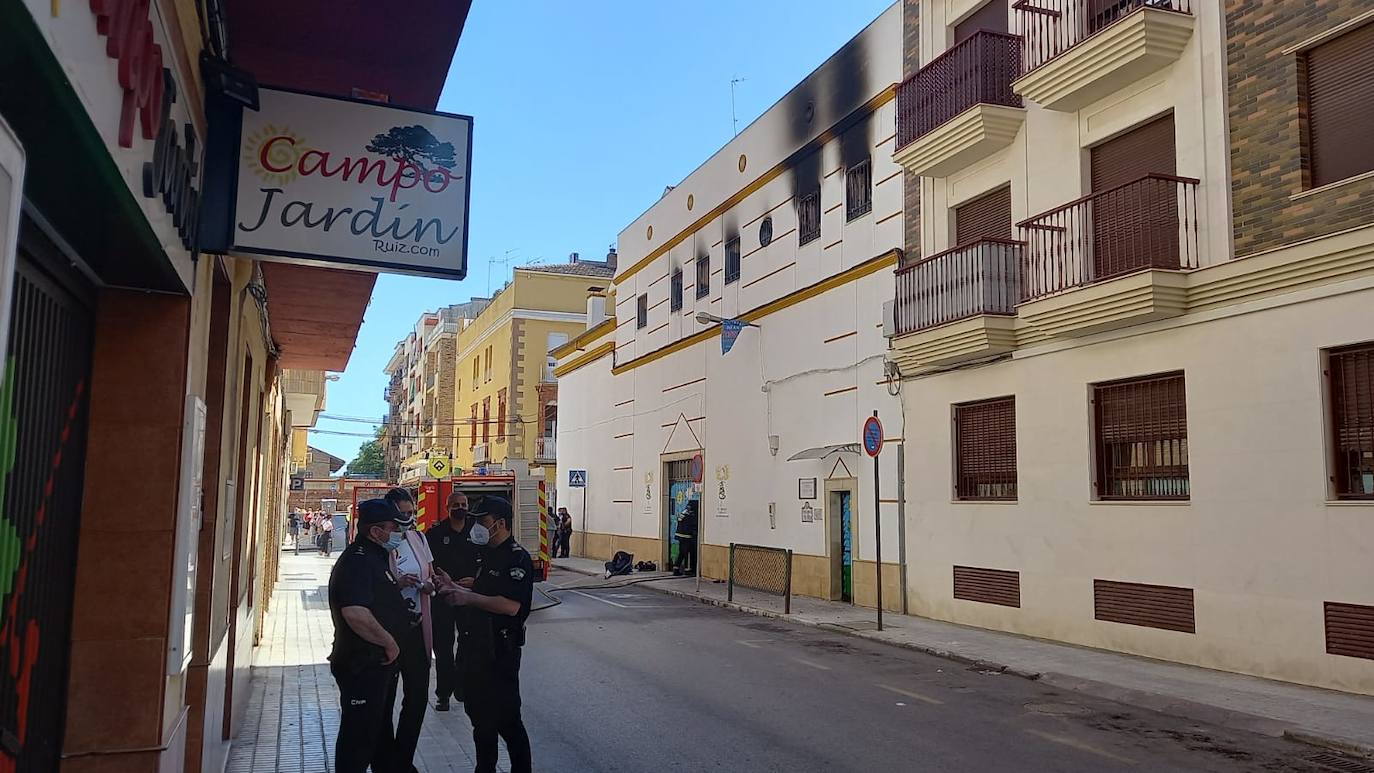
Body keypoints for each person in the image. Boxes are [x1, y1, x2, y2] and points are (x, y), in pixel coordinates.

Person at [435, 496, 533, 773]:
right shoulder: (486, 553)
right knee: (480, 719)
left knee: (508, 720)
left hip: (499, 651)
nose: (475, 525)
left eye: (482, 521)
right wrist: (454, 586)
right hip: (475, 647)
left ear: (500, 524)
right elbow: (483, 590)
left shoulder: (516, 558)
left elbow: (510, 606)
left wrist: (466, 598)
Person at [327, 498, 415, 773]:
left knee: (376, 732)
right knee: (358, 739)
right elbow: (355, 612)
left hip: (377, 665)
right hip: (362, 664)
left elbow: (376, 597)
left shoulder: (375, 557)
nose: (399, 533)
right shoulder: (358, 561)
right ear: (376, 531)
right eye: (394, 528)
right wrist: (389, 642)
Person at [383, 488, 435, 772]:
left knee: (417, 696)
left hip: (416, 627)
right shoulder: (382, 544)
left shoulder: (419, 538)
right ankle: (387, 759)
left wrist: (430, 584)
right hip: (388, 632)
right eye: (403, 513)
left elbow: (430, 572)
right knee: (385, 698)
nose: (409, 518)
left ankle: (403, 760)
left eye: (411, 512)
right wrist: (398, 583)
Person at [426, 490, 481, 711]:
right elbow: (427, 565)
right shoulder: (436, 533)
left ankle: (461, 685)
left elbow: (486, 561)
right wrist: (440, 582)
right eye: (456, 504)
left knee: (467, 645)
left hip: (468, 597)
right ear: (447, 508)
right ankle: (443, 694)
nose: (461, 508)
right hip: (444, 598)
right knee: (443, 648)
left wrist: (476, 581)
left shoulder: (477, 532)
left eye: (464, 504)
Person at [673, 500, 699, 576]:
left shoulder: (684, 512)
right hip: (687, 537)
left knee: (682, 553)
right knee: (688, 553)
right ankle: (688, 570)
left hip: (680, 536)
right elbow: (693, 525)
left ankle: (676, 568)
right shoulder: (691, 515)